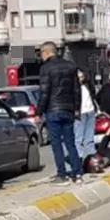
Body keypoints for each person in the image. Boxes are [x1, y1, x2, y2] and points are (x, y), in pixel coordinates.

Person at [37, 41, 82, 185]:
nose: (41, 56)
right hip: (68, 109)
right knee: (71, 142)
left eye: (41, 53)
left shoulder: (46, 68)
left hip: (53, 110)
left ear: (47, 52)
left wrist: (39, 111)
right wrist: (76, 109)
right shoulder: (71, 66)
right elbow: (77, 90)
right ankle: (77, 173)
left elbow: (44, 92)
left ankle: (62, 174)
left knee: (56, 144)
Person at [74, 68, 98, 160]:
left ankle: (91, 156)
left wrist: (96, 108)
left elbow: (93, 95)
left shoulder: (87, 84)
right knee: (78, 137)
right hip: (80, 113)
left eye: (82, 77)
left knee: (90, 136)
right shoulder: (72, 87)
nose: (81, 79)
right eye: (79, 77)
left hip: (90, 111)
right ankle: (78, 157)